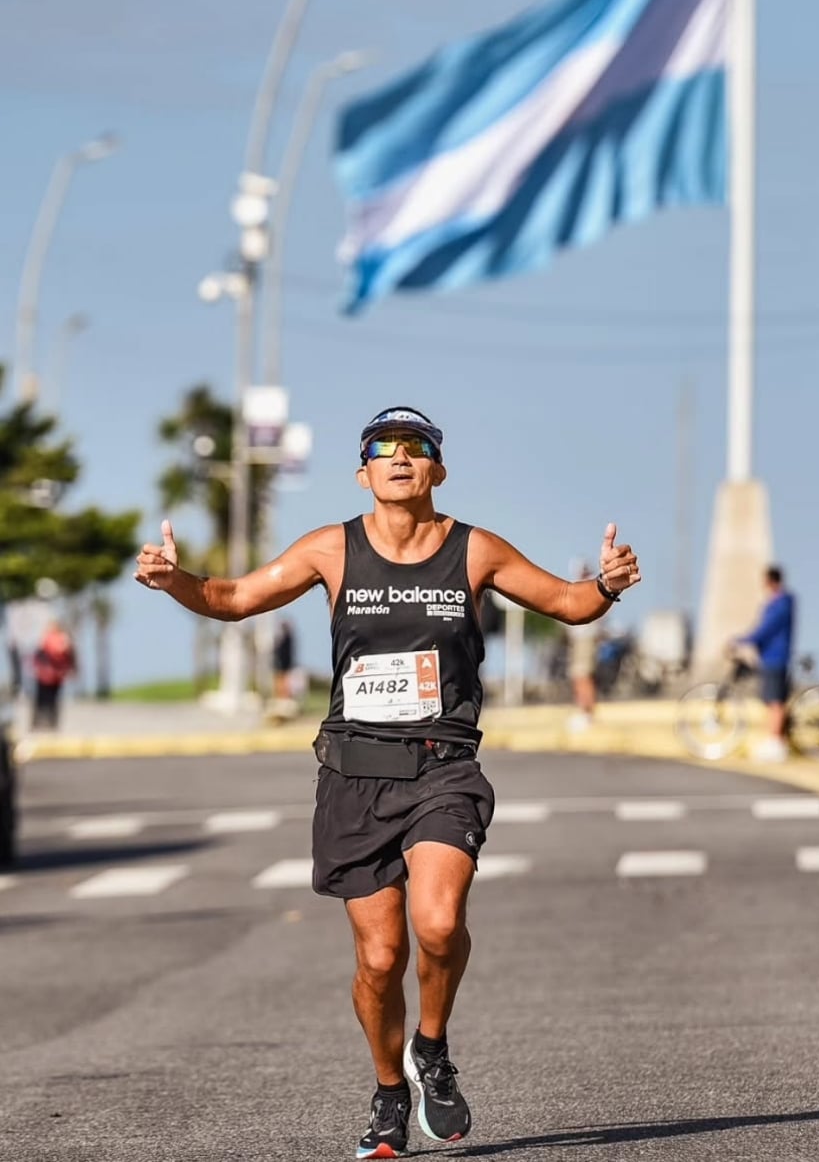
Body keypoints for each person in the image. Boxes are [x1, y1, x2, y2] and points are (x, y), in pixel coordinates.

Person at [134, 406, 640, 1159]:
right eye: (384, 448)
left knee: (437, 923)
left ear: (438, 468)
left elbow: (568, 605)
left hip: (443, 767)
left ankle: (431, 1047)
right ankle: (389, 1090)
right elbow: (233, 599)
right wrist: (174, 580)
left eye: (416, 447)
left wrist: (606, 584)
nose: (400, 457)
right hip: (355, 774)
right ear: (362, 471)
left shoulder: (474, 550)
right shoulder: (331, 549)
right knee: (379, 960)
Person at [732, 565, 795, 763]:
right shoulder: (778, 603)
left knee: (775, 701)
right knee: (771, 700)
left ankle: (775, 743)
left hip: (775, 657)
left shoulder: (780, 604)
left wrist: (742, 640)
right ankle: (775, 740)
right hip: (769, 656)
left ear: (770, 581)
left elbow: (766, 629)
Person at [565, 562, 601, 730]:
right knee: (579, 676)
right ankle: (583, 712)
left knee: (583, 676)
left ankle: (587, 714)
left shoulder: (591, 588)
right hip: (580, 639)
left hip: (585, 638)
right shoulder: (584, 586)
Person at [30, 621, 77, 731]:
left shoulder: (47, 638)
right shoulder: (64, 639)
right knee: (52, 700)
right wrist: (72, 669)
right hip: (56, 675)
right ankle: (51, 722)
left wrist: (36, 668)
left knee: (42, 700)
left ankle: (39, 723)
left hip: (45, 675)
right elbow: (70, 656)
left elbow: (39, 655)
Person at [272, 619, 297, 702]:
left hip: (283, 663)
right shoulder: (289, 638)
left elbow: (280, 651)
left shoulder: (286, 638)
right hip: (285, 662)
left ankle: (283, 697)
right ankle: (282, 696)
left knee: (282, 680)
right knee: (283, 679)